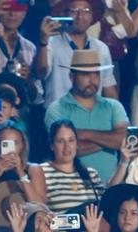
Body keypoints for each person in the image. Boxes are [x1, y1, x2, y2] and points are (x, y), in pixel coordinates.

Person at [43, 50, 128, 185]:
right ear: (72, 77)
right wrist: (109, 142)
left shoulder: (113, 106)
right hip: (71, 189)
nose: (92, 80)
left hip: (111, 186)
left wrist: (84, 133)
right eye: (85, 74)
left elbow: (124, 141)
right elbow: (67, 150)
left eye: (96, 74)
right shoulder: (57, 109)